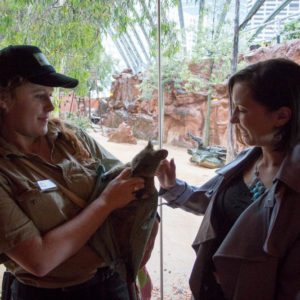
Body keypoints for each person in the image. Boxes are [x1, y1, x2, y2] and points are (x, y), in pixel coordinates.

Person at [0, 45, 146, 300]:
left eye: (50, 94)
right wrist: (105, 203)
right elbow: (40, 260)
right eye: (38, 95)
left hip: (111, 282)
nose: (50, 106)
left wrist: (138, 268)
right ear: (4, 99)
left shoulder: (70, 138)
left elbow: (126, 183)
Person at [157, 58, 300, 300]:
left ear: (282, 116)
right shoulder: (247, 159)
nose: (232, 119)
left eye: (242, 110)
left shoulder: (295, 187)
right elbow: (211, 203)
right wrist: (172, 186)